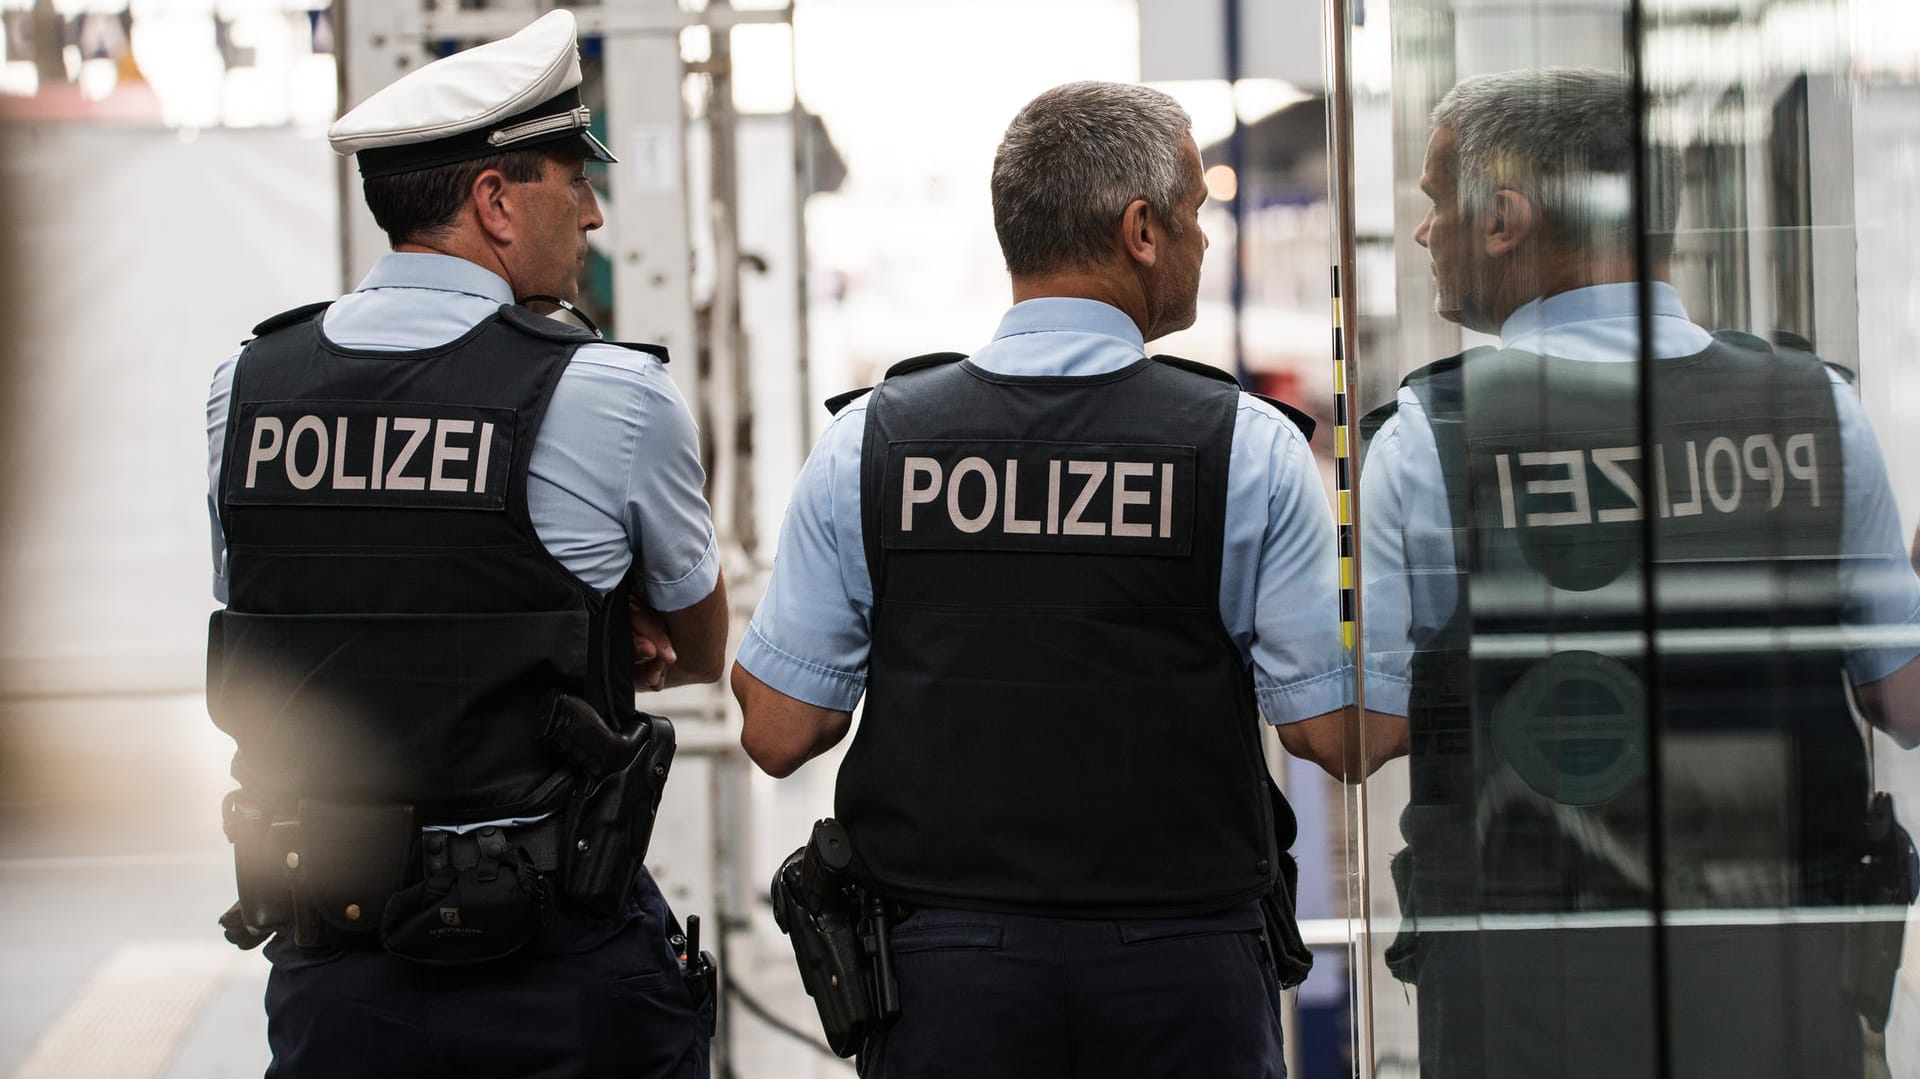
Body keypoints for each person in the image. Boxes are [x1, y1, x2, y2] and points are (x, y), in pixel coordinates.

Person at [733, 80, 1374, 1079]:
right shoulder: (1242, 448)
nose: (1208, 239)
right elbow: (1335, 736)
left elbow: (777, 730)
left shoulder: (873, 443)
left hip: (943, 979)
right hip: (1181, 972)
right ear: (1142, 230)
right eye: (1198, 213)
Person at [1360, 66, 1920, 1077]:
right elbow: (1907, 697)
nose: (1423, 232)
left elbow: (1366, 727)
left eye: (1436, 202)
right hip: (1776, 984)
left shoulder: (1429, 441)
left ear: (1504, 218)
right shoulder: (1813, 410)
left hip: (1529, 996)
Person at [201, 11, 726, 1076]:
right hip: (554, 974)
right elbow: (702, 648)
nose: (592, 211)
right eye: (571, 180)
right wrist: (596, 614)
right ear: (494, 200)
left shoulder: (246, 388)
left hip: (334, 970)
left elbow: (286, 610)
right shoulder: (611, 391)